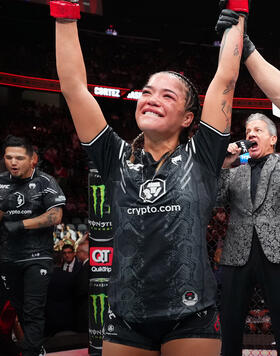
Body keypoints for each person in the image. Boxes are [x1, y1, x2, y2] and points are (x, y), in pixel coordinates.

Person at [51, 0, 246, 354]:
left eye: (167, 95)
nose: (152, 99)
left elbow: (226, 80)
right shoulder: (114, 156)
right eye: (147, 92)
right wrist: (65, 12)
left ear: (188, 118)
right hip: (125, 317)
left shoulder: (202, 154)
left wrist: (239, 13)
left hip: (192, 314)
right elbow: (74, 88)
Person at [216, 113, 280, 356]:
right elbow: (215, 200)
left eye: (258, 131)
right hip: (236, 254)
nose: (251, 134)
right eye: (247, 132)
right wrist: (225, 163)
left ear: (272, 139)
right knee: (230, 324)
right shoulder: (235, 171)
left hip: (275, 252)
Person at [0, 135, 66, 356]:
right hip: (8, 256)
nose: (13, 162)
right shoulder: (0, 182)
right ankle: (35, 347)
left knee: (33, 309)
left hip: (37, 255)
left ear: (33, 159)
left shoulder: (45, 182)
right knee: (19, 308)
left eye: (19, 158)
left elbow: (56, 216)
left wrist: (21, 224)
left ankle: (32, 352)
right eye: (9, 157)